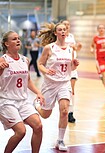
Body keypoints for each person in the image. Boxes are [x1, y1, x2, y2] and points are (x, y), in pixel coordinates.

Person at [36, 22, 79, 151]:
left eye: (64, 29)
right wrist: (46, 71)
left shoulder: (71, 49)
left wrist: (75, 65)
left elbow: (70, 67)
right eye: (60, 30)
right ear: (55, 33)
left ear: (66, 32)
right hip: (50, 84)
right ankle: (36, 106)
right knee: (45, 114)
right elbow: (40, 64)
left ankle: (60, 140)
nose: (62, 31)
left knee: (65, 111)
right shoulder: (49, 48)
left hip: (64, 83)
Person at [0, 30, 45, 153]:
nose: (18, 40)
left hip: (23, 101)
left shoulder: (25, 60)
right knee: (21, 131)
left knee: (38, 126)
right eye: (14, 39)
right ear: (6, 44)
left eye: (18, 38)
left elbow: (28, 81)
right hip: (7, 102)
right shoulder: (2, 61)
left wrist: (38, 93)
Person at [61, 20, 82, 123]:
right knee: (63, 91)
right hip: (62, 68)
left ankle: (71, 112)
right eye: (64, 24)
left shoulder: (71, 36)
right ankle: (64, 109)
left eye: (68, 24)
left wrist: (77, 48)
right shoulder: (59, 38)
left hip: (72, 66)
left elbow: (74, 50)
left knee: (71, 90)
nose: (66, 26)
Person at [91, 24, 105, 91]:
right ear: (98, 30)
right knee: (104, 75)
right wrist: (91, 49)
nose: (101, 29)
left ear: (104, 29)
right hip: (100, 58)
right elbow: (92, 45)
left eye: (102, 28)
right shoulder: (95, 38)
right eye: (100, 28)